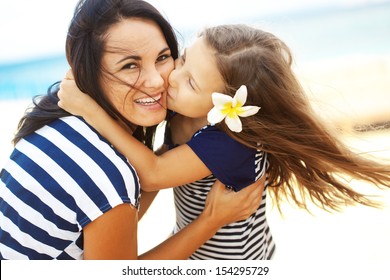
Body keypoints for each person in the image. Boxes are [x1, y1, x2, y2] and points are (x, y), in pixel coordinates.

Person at [58, 23, 390, 260]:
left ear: (226, 103)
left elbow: (153, 174)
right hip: (197, 238)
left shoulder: (230, 142)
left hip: (230, 260)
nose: (171, 77)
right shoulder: (185, 113)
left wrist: (89, 110)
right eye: (183, 60)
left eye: (190, 83)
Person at [0, 0, 265, 260]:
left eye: (163, 57)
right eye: (129, 65)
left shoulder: (58, 124)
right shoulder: (107, 171)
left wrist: (92, 110)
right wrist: (211, 219)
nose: (161, 80)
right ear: (88, 71)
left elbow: (116, 217)